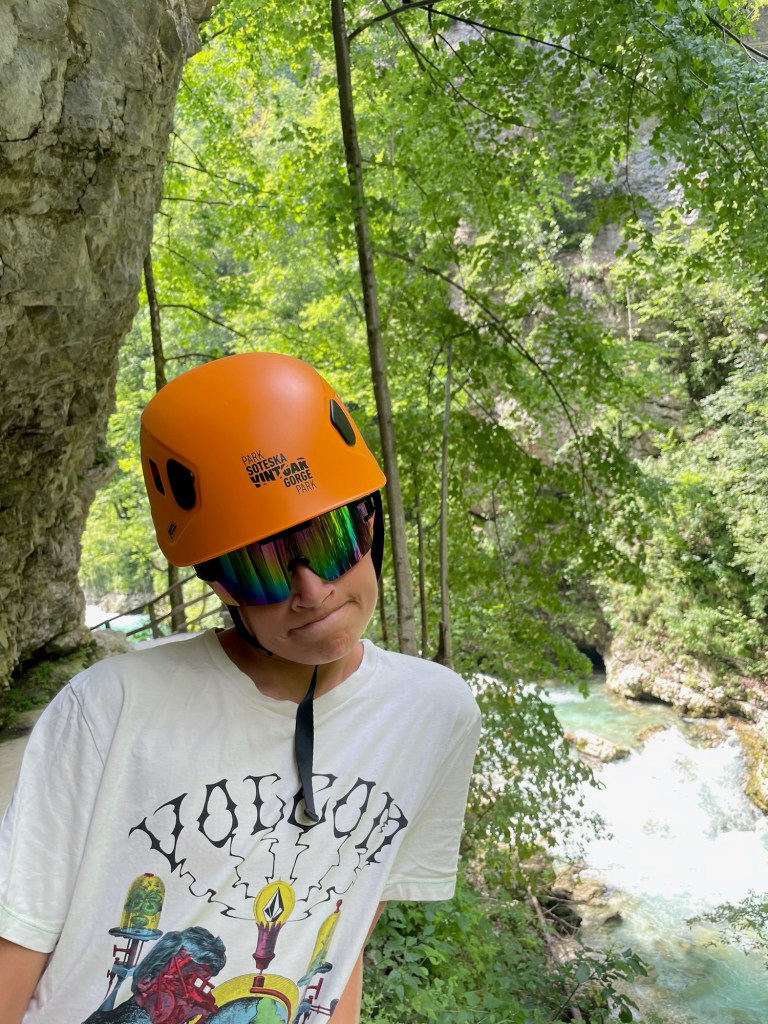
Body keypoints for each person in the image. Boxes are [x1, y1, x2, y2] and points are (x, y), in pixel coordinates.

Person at [0, 351, 481, 1024]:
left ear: (370, 523)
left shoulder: (434, 715)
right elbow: (17, 939)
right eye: (262, 566)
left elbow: (342, 941)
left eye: (332, 537)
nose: (311, 591)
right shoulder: (108, 708)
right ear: (219, 582)